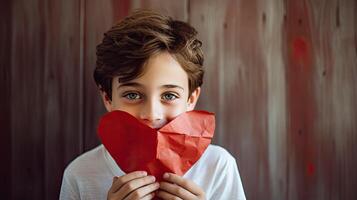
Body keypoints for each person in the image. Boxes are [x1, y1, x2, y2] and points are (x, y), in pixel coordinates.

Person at [59, 9, 246, 200]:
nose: (151, 114)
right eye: (132, 95)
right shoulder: (80, 175)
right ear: (108, 98)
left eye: (169, 95)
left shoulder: (218, 166)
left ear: (190, 99)